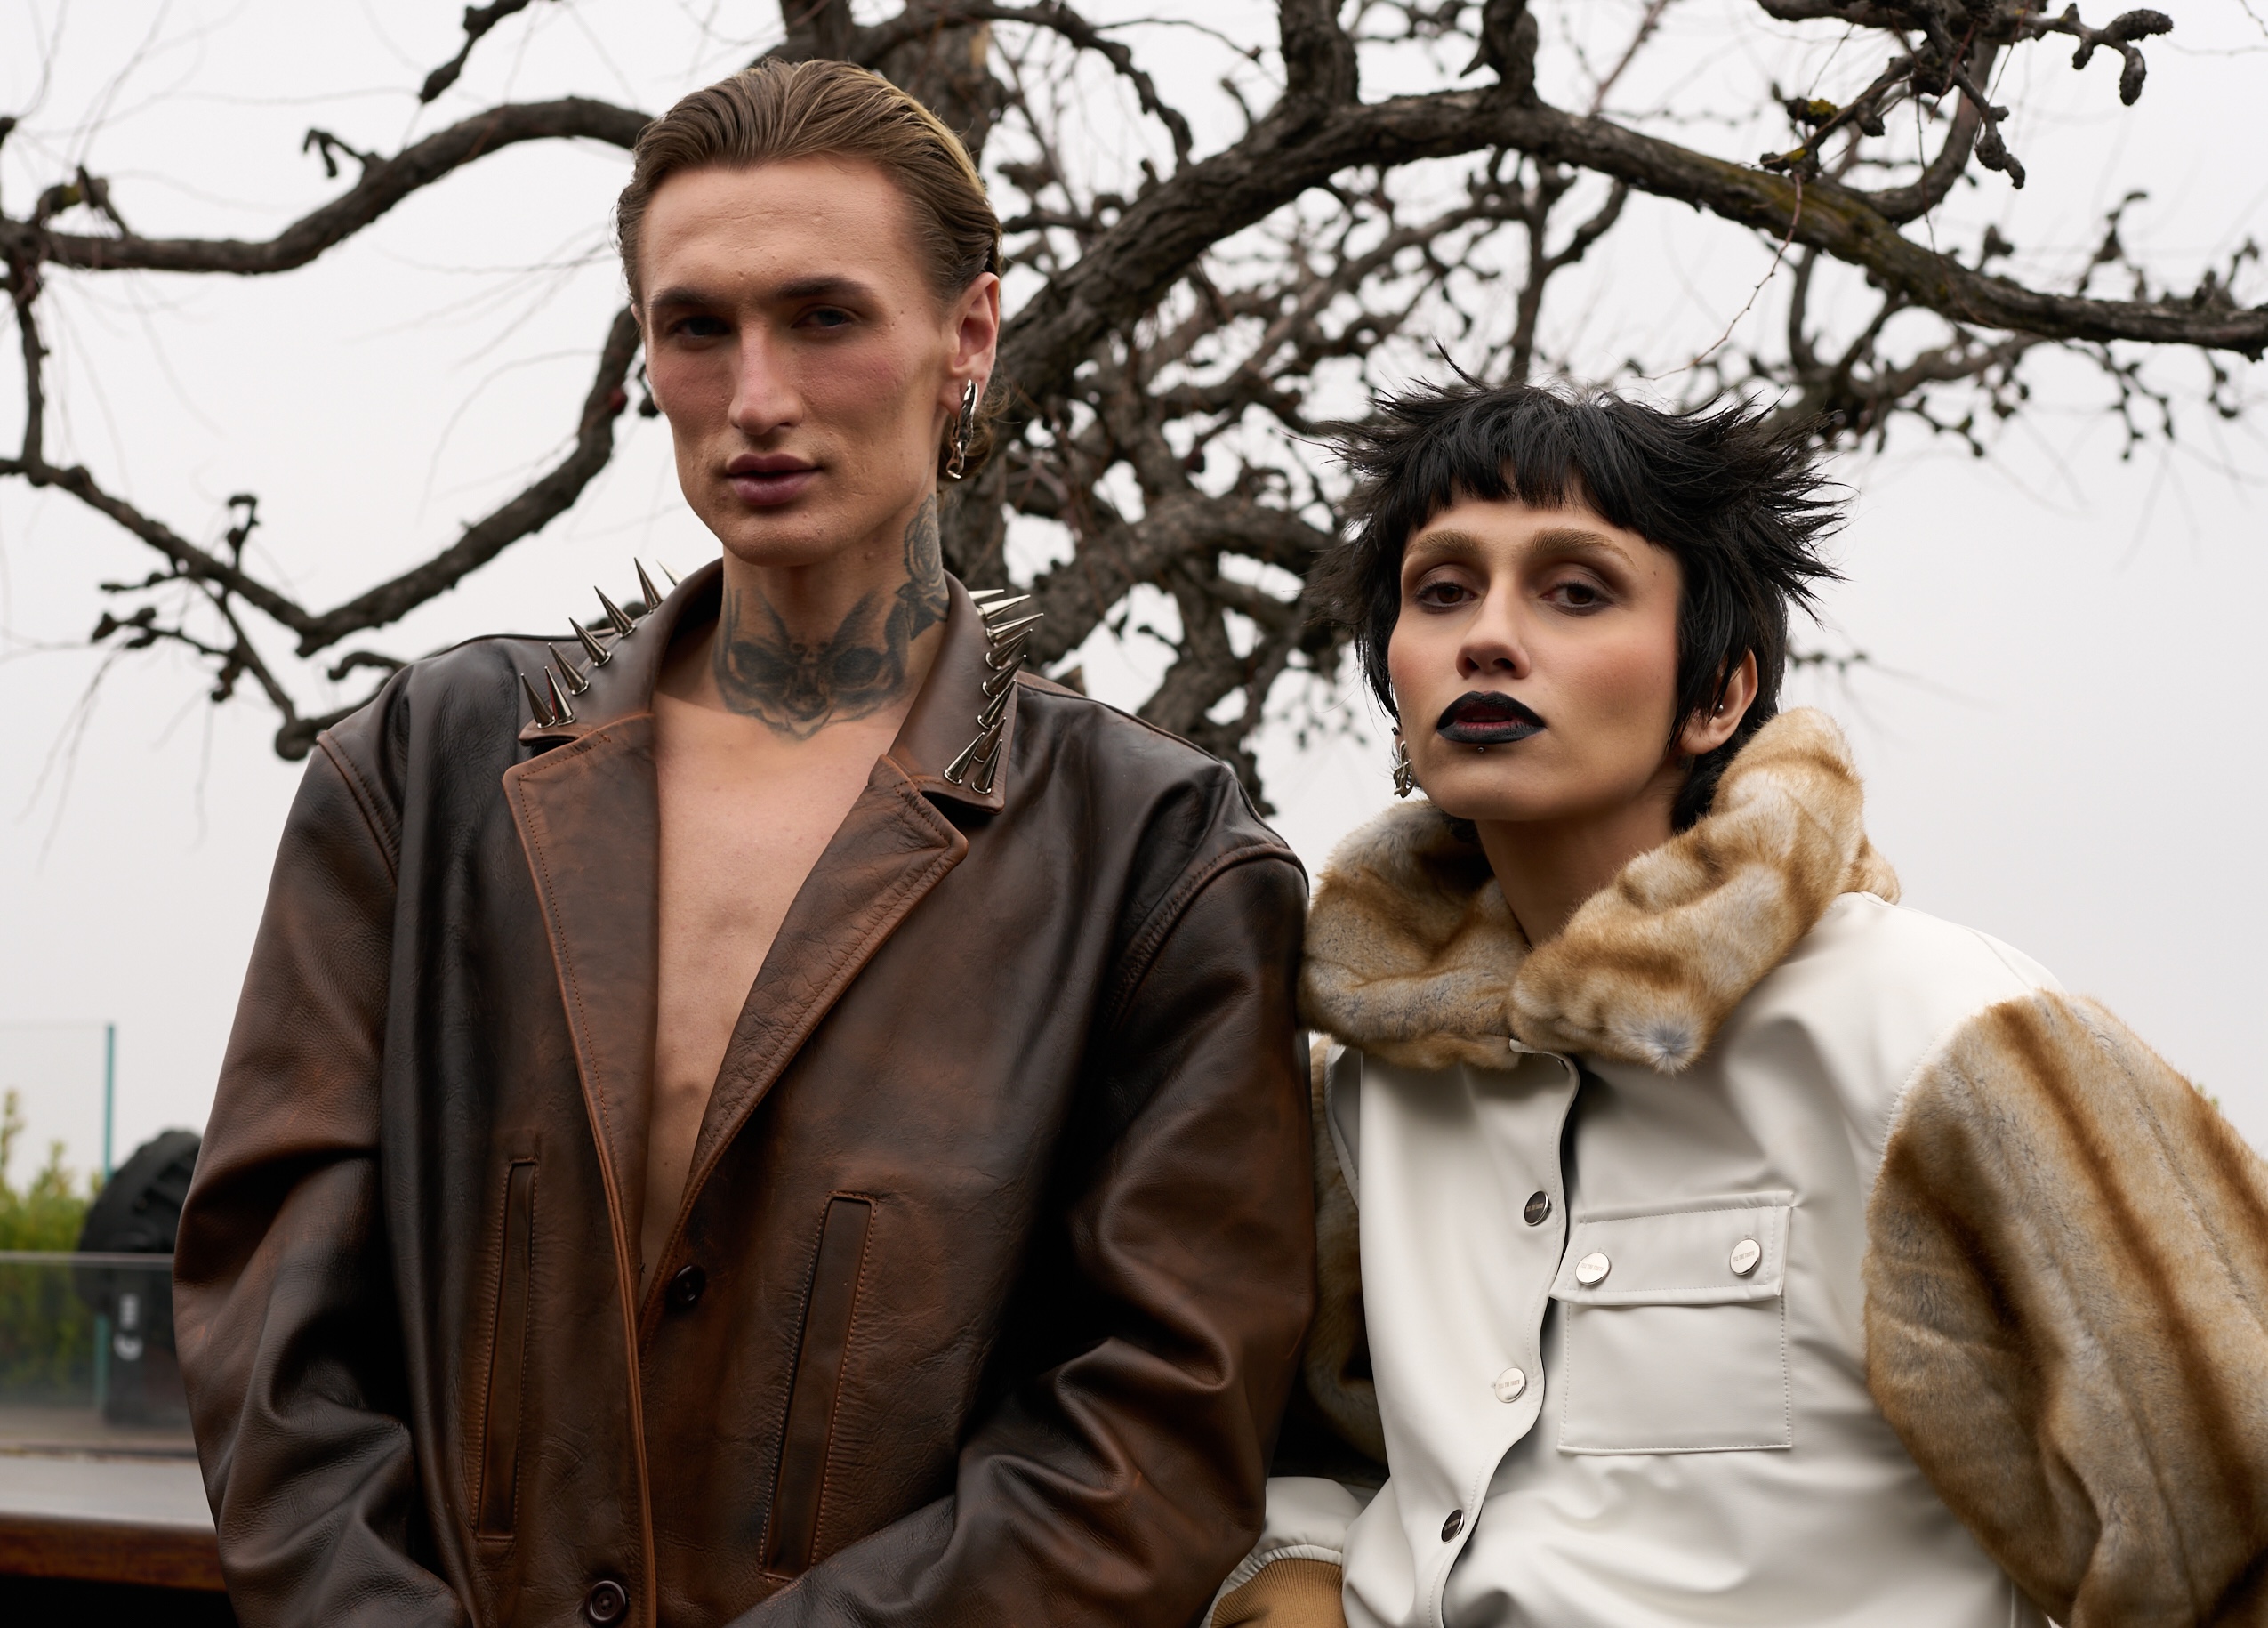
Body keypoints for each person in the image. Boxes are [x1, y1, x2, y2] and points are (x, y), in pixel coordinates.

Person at [174, 60, 1315, 1628]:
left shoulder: (1158, 855)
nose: (755, 397)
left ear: (966, 336)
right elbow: (272, 1324)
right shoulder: (426, 772)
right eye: (695, 328)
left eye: (824, 317)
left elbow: (1154, 1430)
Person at [1213, 382, 2268, 1628]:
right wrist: (1289, 1578)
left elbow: (2222, 1510)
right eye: (1440, 591)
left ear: (1717, 692)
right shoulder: (1372, 1084)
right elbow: (1325, 1458)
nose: (1484, 638)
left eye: (1574, 590)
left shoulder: (1945, 1031)